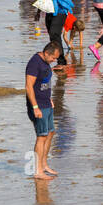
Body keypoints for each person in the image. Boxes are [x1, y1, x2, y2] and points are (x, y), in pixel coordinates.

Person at [25, 43, 60, 178]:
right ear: (46, 53)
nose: (54, 60)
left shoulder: (45, 62)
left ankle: (44, 164)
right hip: (38, 106)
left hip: (47, 103)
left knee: (50, 133)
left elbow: (44, 84)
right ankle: (37, 171)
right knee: (41, 136)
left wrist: (49, 98)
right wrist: (35, 107)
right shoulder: (34, 63)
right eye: (53, 58)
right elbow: (29, 86)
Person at [38, 0, 72, 66]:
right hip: (49, 11)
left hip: (60, 11)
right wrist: (38, 12)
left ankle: (61, 61)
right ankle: (58, 59)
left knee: (54, 33)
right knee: (53, 36)